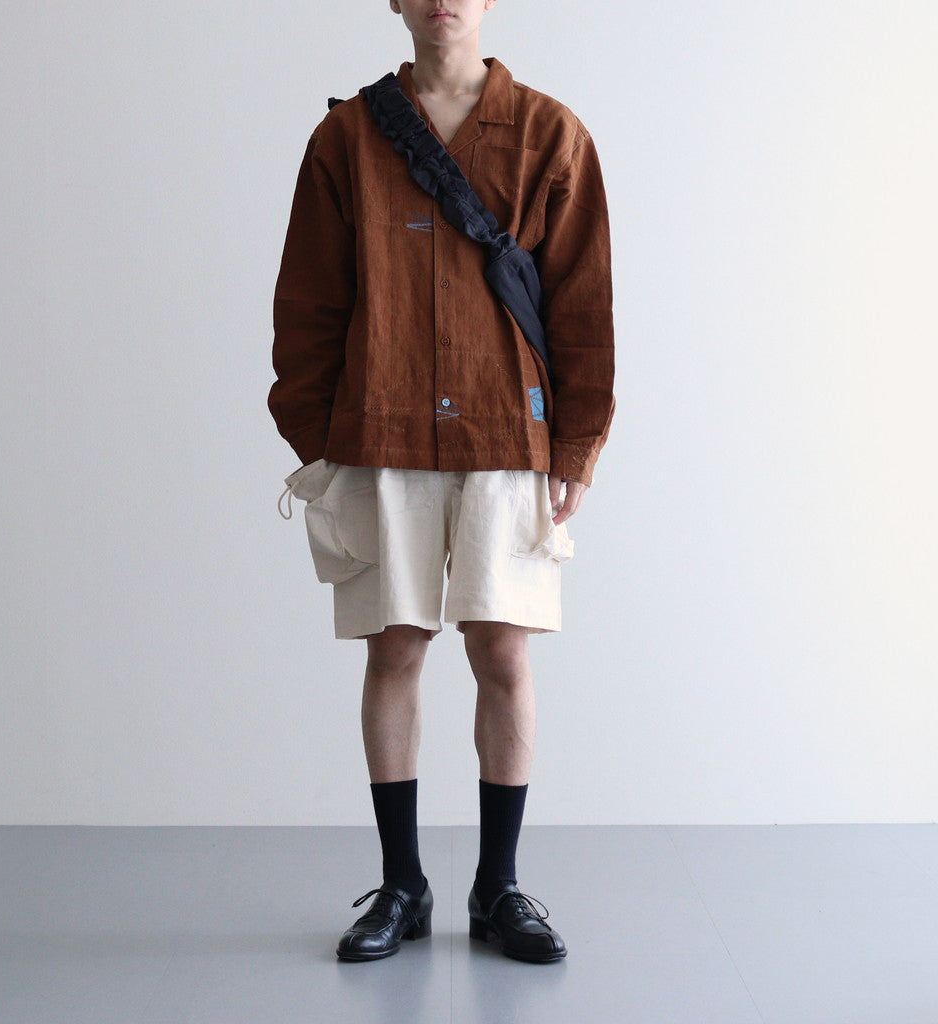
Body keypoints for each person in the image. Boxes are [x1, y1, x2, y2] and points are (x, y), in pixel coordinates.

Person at [268, 0, 614, 964]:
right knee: (394, 651)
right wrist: (321, 438)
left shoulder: (549, 132)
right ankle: (403, 886)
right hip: (379, 434)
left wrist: (576, 445)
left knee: (503, 653)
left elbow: (583, 302)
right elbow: (308, 301)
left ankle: (498, 887)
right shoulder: (345, 138)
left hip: (508, 432)